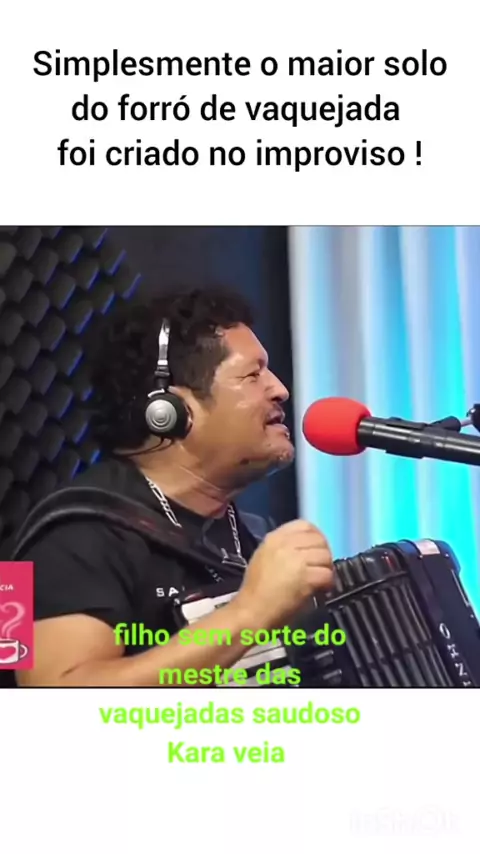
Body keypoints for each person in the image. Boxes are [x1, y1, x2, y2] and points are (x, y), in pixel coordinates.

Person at [15, 286, 334, 687]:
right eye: (253, 375)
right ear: (171, 411)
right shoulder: (62, 538)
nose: (280, 389)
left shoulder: (250, 534)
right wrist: (249, 613)